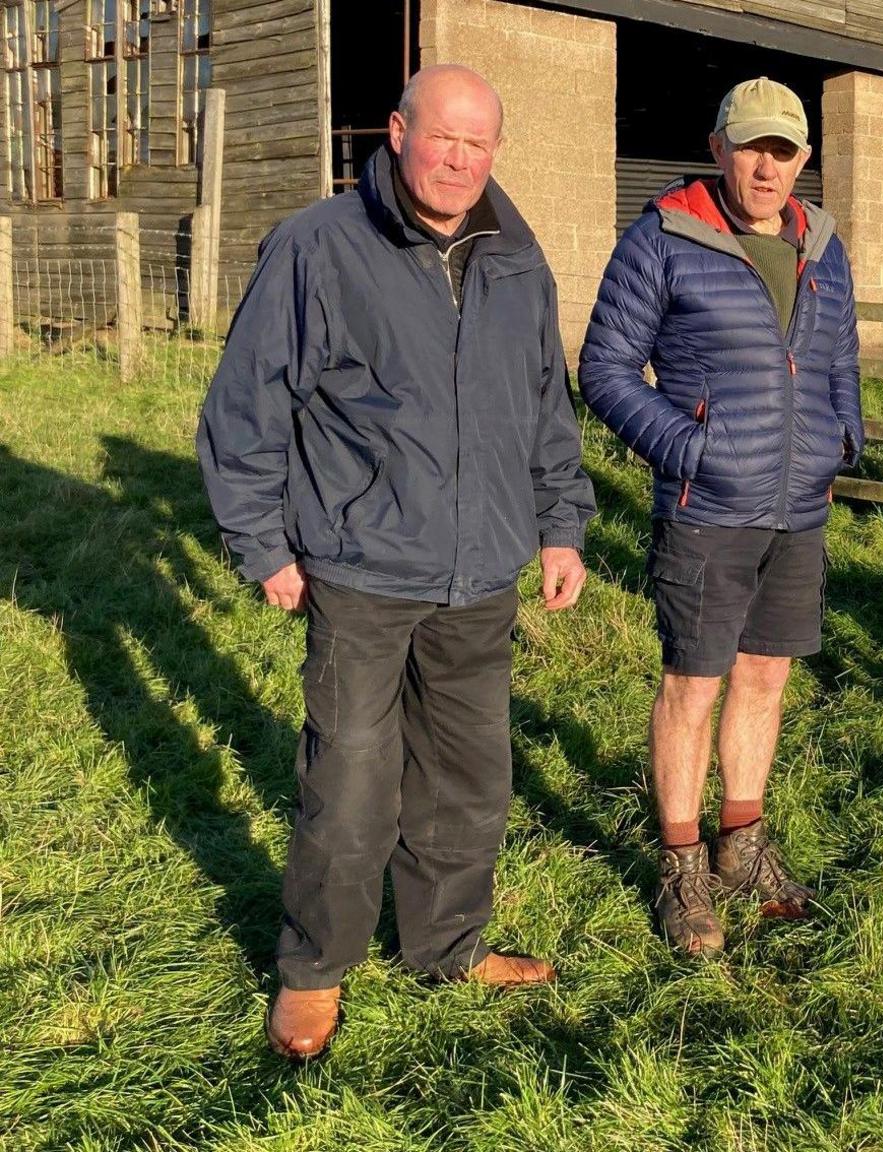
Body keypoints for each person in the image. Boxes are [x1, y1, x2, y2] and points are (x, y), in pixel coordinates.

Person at [196, 64, 596, 1059]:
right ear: (396, 131)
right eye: (441, 138)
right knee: (352, 784)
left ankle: (446, 946)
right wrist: (261, 543)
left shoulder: (517, 255)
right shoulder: (319, 246)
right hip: (361, 567)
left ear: (495, 150)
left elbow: (544, 405)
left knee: (468, 776)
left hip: (480, 571)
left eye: (478, 143)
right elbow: (247, 404)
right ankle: (313, 972)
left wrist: (561, 523)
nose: (459, 160)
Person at [579, 78, 861, 955]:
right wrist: (690, 450)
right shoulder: (662, 238)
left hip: (798, 509)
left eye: (784, 150)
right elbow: (605, 369)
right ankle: (680, 864)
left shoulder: (824, 244)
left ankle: (741, 843)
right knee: (692, 685)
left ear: (804, 159)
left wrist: (840, 439)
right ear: (717, 149)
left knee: (766, 679)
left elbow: (841, 356)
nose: (767, 165)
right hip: (707, 509)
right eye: (751, 147)